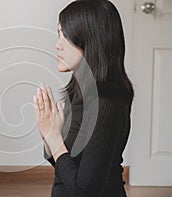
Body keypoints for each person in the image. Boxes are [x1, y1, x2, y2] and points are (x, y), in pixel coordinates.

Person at [33, 0, 134, 196]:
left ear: (91, 40)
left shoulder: (107, 102)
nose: (57, 45)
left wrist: (54, 137)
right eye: (58, 34)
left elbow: (84, 192)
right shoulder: (79, 91)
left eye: (66, 36)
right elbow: (63, 163)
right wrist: (48, 133)